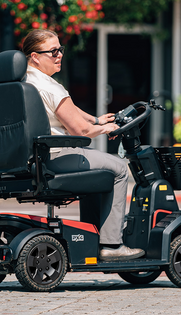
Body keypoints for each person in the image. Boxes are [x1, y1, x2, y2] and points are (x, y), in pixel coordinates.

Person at [22, 29, 144, 262]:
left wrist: (97, 120)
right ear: (35, 56)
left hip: (30, 159)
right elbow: (80, 131)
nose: (59, 55)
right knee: (118, 168)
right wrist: (104, 129)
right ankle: (111, 244)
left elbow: (69, 112)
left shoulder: (22, 83)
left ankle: (92, 236)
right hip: (55, 157)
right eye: (53, 51)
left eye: (61, 49)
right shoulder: (50, 86)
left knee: (98, 167)